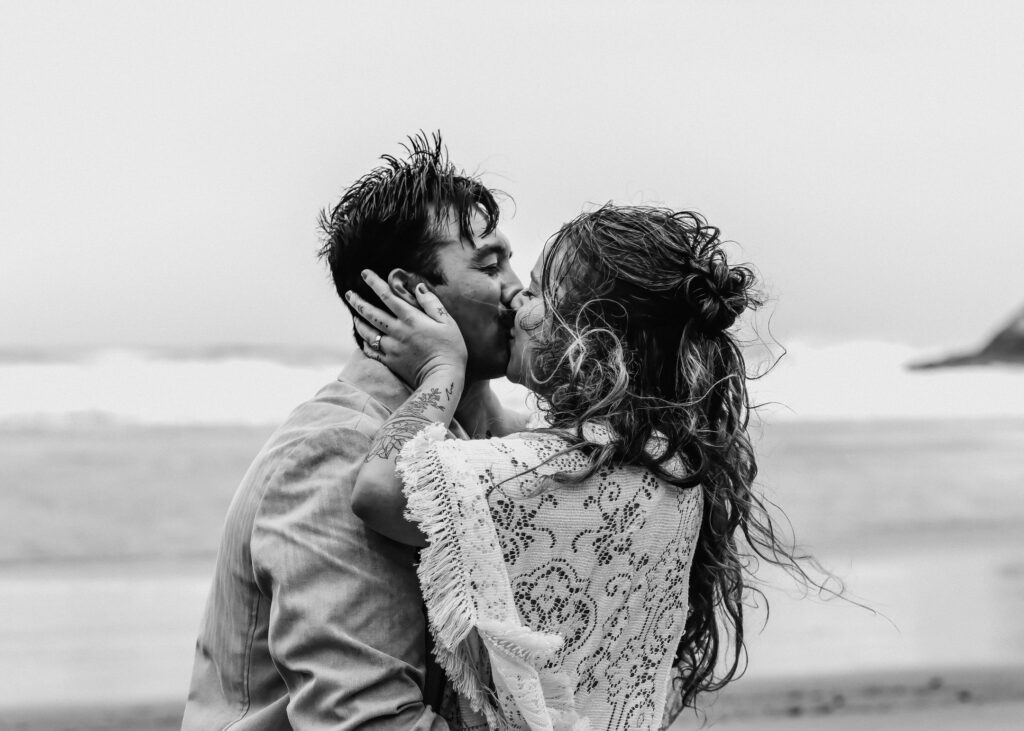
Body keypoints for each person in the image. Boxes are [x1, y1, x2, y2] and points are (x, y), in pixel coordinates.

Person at [347, 204, 794, 729]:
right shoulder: (668, 459)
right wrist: (483, 398)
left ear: (592, 336)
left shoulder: (562, 469)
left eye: (536, 290)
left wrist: (440, 370)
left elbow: (379, 490)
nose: (516, 301)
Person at [181, 133, 524, 730]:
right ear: (409, 295)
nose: (519, 287)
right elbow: (365, 721)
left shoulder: (504, 441)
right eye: (490, 265)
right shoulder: (338, 450)